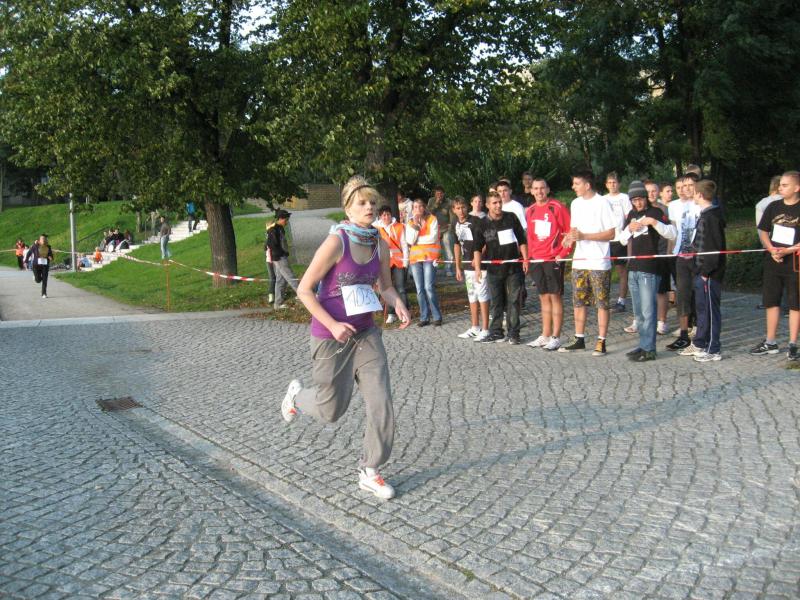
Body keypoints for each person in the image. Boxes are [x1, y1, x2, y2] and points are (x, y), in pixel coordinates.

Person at [280, 176, 411, 501]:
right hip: (330, 337)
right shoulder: (336, 242)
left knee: (381, 401)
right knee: (331, 411)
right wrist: (333, 324)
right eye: (361, 202)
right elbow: (304, 290)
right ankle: (296, 397)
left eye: (372, 202)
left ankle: (370, 469)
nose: (369, 207)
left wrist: (397, 302)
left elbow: (384, 285)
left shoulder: (379, 243)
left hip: (365, 334)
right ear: (348, 208)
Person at [559, 170, 617, 356]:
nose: (573, 187)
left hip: (599, 261)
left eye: (576, 184)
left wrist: (585, 236)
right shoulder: (575, 203)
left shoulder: (603, 203)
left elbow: (611, 234)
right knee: (578, 301)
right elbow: (574, 229)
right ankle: (579, 338)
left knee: (602, 303)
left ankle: (601, 341)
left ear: (587, 185)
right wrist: (569, 237)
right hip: (580, 260)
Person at [619, 181, 676, 362]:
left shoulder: (656, 212)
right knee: (639, 312)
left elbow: (672, 233)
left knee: (648, 310)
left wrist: (654, 222)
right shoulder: (631, 215)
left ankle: (650, 349)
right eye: (634, 200)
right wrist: (629, 229)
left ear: (646, 197)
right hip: (633, 268)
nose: (638, 203)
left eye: (640, 199)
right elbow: (621, 240)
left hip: (650, 268)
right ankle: (643, 344)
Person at [750, 171, 800, 361]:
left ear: (797, 188)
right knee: (771, 301)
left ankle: (793, 343)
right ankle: (770, 341)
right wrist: (771, 248)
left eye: (785, 185)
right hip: (773, 261)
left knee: (795, 303)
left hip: (794, 262)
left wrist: (788, 251)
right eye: (780, 185)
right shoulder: (773, 206)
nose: (780, 188)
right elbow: (763, 230)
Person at [472, 189, 528, 344]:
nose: (498, 205)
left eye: (499, 202)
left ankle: (514, 333)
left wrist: (525, 259)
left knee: (514, 301)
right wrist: (477, 269)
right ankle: (496, 332)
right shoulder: (482, 224)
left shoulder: (511, 217)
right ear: (488, 205)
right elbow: (477, 248)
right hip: (494, 270)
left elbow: (522, 240)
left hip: (513, 268)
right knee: (497, 302)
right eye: (494, 203)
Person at [681, 179, 726, 362]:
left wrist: (706, 272)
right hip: (701, 271)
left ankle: (713, 348)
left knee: (711, 311)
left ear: (699, 194)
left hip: (710, 274)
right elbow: (700, 243)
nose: (692, 195)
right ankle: (702, 342)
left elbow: (714, 249)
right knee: (702, 310)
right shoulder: (705, 215)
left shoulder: (711, 217)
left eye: (693, 192)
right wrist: (692, 256)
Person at [525, 178, 571, 351]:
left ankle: (556, 337)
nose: (539, 191)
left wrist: (562, 254)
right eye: (536, 188)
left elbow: (569, 232)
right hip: (536, 259)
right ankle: (545, 335)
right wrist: (529, 257)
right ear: (531, 191)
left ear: (548, 189)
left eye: (542, 188)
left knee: (555, 296)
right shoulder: (530, 210)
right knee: (543, 296)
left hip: (553, 258)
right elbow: (530, 236)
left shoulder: (557, 207)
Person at [666, 174, 701, 351]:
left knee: (699, 294)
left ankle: (701, 332)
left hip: (698, 256)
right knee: (682, 294)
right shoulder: (673, 206)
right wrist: (670, 252)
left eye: (689, 185)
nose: (685, 189)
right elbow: (674, 231)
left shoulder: (701, 204)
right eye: (683, 186)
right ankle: (683, 334)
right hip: (681, 255)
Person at [452, 196, 490, 341]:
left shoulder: (476, 221)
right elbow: (456, 245)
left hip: (480, 265)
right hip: (467, 265)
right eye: (458, 208)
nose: (461, 211)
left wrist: (478, 257)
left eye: (463, 207)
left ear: (467, 207)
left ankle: (486, 329)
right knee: (472, 295)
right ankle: (475, 327)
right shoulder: (454, 223)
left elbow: (487, 241)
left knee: (483, 295)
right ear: (454, 210)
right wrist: (457, 266)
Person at [406, 198, 443, 326]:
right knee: (419, 289)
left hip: (429, 257)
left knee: (429, 287)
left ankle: (437, 316)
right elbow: (410, 240)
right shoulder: (410, 223)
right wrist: (416, 226)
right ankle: (424, 317)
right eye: (415, 207)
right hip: (415, 259)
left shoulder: (432, 219)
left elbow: (433, 238)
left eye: (420, 206)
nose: (418, 209)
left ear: (424, 207)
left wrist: (417, 241)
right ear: (412, 210)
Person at [604, 171, 633, 313]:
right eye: (610, 183)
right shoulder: (603, 199)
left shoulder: (624, 198)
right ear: (606, 185)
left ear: (619, 184)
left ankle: (621, 301)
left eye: (614, 182)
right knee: (604, 270)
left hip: (620, 239)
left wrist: (625, 235)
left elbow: (629, 217)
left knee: (622, 271)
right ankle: (603, 300)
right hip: (605, 239)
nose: (612, 185)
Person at [376, 204, 409, 324]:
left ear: (391, 215)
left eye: (388, 214)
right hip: (384, 262)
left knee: (401, 288)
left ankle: (405, 312)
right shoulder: (376, 228)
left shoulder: (399, 227)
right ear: (380, 217)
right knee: (388, 288)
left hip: (398, 261)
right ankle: (391, 313)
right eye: (383, 215)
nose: (386, 217)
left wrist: (406, 261)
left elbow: (404, 244)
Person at [266, 209, 299, 309]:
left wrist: (285, 252)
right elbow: (270, 244)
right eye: (286, 219)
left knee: (281, 280)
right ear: (280, 218)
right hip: (279, 258)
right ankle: (304, 295)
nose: (287, 221)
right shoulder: (273, 230)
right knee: (290, 277)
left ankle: (278, 303)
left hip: (281, 257)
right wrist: (281, 253)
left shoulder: (280, 228)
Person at [427, 186, 454, 276]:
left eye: (441, 193)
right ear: (435, 194)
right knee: (433, 250)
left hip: (446, 229)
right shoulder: (431, 201)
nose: (439, 195)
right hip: (434, 229)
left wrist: (451, 227)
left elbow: (452, 216)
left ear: (444, 193)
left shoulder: (449, 202)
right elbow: (428, 214)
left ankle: (448, 268)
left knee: (447, 247)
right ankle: (433, 268)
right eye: (437, 193)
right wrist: (436, 204)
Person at [25, 234, 54, 298]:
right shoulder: (35, 246)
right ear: (39, 240)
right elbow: (29, 253)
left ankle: (44, 293)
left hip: (45, 265)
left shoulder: (48, 247)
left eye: (45, 239)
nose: (44, 240)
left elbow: (50, 255)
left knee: (45, 279)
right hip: (36, 265)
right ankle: (36, 277)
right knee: (38, 280)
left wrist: (51, 257)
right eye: (42, 239)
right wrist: (26, 261)